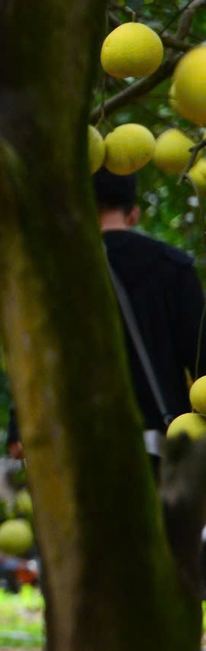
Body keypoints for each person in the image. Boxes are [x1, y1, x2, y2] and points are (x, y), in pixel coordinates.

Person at [94, 169, 206, 454]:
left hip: (81, 452)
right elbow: (201, 360)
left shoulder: (55, 274)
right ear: (133, 214)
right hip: (158, 447)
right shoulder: (173, 267)